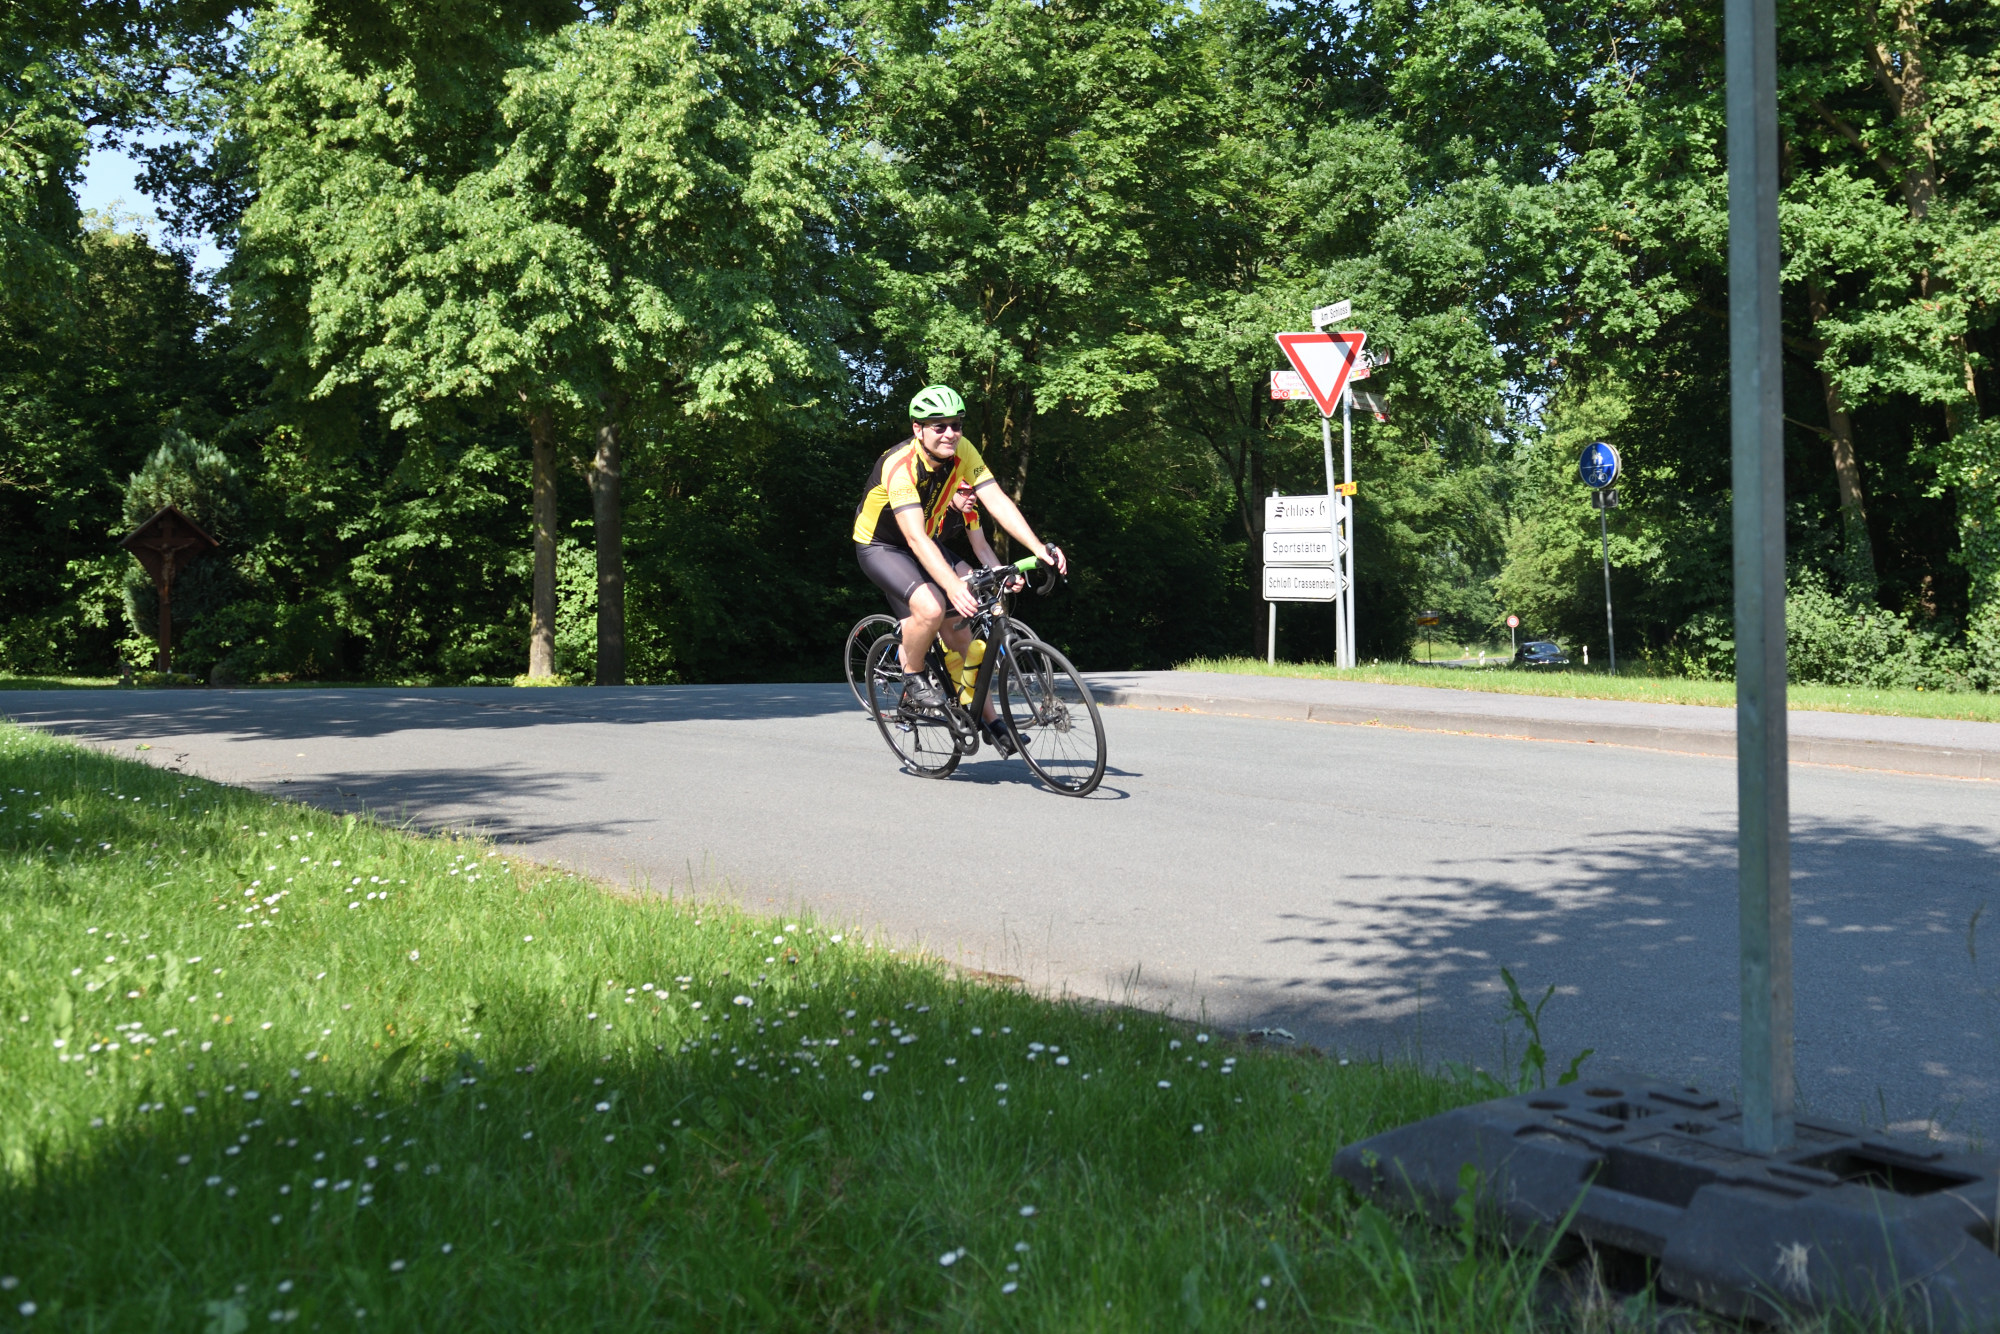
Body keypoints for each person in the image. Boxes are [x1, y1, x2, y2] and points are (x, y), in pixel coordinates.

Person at [853, 385, 1067, 740]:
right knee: (932, 608)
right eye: (939, 426)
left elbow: (996, 499)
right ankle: (913, 676)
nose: (950, 433)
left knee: (963, 636)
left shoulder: (963, 450)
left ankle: (990, 722)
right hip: (883, 546)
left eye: (956, 425)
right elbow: (914, 539)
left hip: (926, 542)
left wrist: (1037, 547)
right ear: (918, 429)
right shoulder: (900, 466)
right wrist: (951, 586)